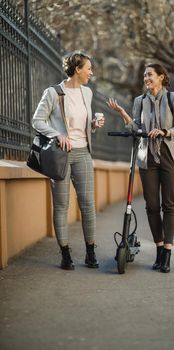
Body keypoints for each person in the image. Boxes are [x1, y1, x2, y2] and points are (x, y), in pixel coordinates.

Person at [107, 63, 174, 273]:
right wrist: (123, 113)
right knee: (152, 206)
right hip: (147, 158)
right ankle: (159, 250)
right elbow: (136, 127)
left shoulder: (173, 98)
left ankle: (168, 254)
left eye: (150, 74)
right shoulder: (139, 101)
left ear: (161, 77)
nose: (146, 78)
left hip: (170, 156)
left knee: (169, 205)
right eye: (144, 75)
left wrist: (164, 132)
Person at [32, 51, 105, 270]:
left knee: (88, 205)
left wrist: (93, 124)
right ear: (77, 70)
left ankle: (90, 253)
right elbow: (37, 120)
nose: (91, 73)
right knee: (62, 206)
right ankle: (65, 254)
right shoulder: (53, 93)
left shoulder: (87, 93)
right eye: (88, 68)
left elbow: (81, 125)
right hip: (61, 156)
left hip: (83, 153)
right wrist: (57, 135)